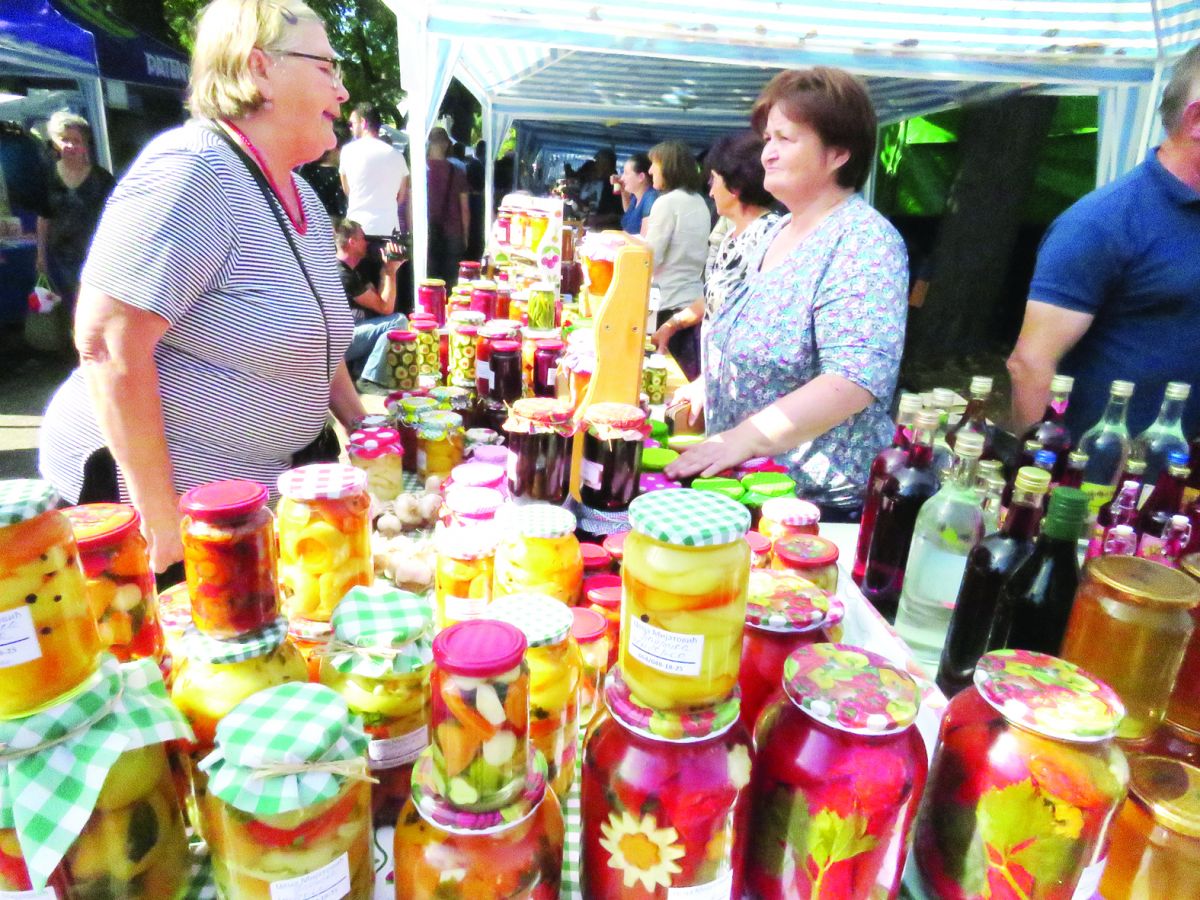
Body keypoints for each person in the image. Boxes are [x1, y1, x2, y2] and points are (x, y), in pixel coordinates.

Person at [39, 0, 362, 573]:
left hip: (244, 499)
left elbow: (318, 333)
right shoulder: (193, 171)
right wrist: (159, 523)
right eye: (327, 68)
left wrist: (361, 422)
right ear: (259, 67)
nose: (341, 92)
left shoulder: (299, 193)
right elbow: (108, 343)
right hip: (165, 518)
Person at [663, 68, 908, 520]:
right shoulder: (774, 230)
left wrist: (745, 436)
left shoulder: (862, 240)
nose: (768, 154)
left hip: (811, 506)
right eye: (767, 139)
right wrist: (710, 379)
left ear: (837, 154)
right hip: (749, 486)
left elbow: (852, 380)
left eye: (785, 139)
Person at [1008, 42, 1200, 438]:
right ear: (1196, 120)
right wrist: (1042, 472)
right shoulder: (1102, 221)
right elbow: (1030, 363)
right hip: (1109, 479)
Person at [652, 130, 780, 353]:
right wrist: (674, 324)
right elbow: (714, 296)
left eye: (714, 180)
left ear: (735, 186)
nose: (710, 192)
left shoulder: (770, 235)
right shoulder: (732, 236)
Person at [638, 140, 711, 380]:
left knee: (662, 379)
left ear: (668, 166)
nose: (650, 171)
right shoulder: (699, 201)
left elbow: (650, 258)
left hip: (666, 304)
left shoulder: (667, 203)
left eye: (653, 165)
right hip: (691, 300)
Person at [36, 111, 114, 313]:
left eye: (76, 140)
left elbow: (114, 218)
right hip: (59, 259)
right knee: (69, 308)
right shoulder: (47, 177)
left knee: (90, 308)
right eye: (64, 140)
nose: (70, 145)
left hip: (95, 257)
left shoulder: (102, 179)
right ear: (55, 143)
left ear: (85, 144)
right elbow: (44, 218)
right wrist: (41, 256)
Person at [339, 101, 409, 288]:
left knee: (361, 291)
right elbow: (402, 196)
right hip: (389, 232)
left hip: (357, 231)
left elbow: (347, 190)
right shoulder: (397, 156)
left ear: (363, 122)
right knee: (388, 288)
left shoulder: (347, 152)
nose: (351, 127)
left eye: (352, 123)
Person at [335, 218, 406, 382]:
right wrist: (390, 272)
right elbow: (387, 308)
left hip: (345, 338)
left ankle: (361, 372)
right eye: (363, 238)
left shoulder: (351, 271)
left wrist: (386, 269)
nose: (367, 243)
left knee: (386, 326)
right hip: (340, 343)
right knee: (398, 321)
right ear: (352, 242)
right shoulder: (344, 275)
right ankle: (369, 379)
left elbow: (381, 302)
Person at [426, 126, 469, 284]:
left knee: (429, 283)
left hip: (428, 233)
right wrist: (465, 235)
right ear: (446, 144)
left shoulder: (420, 170)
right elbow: (464, 208)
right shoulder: (457, 172)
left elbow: (411, 206)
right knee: (451, 284)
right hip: (453, 233)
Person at [298, 117, 348, 218]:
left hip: (308, 223)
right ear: (336, 148)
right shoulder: (337, 175)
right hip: (331, 227)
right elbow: (342, 209)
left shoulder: (305, 170)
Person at [617, 151, 659, 235]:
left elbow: (644, 237)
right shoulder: (635, 197)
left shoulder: (650, 198)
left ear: (641, 177)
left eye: (626, 173)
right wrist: (622, 190)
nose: (622, 178)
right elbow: (630, 213)